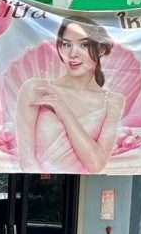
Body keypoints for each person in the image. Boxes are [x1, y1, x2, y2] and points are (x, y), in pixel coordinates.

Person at [16, 17, 124, 174]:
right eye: (66, 44)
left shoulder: (113, 101)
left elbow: (96, 165)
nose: (73, 54)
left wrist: (63, 111)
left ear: (101, 49)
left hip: (77, 184)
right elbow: (26, 160)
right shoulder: (36, 89)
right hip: (35, 184)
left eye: (84, 45)